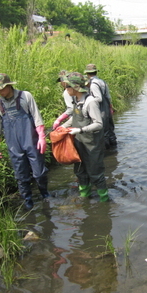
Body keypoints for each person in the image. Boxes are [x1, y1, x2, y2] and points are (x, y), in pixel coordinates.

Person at [0, 73, 49, 210]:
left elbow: (37, 117)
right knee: (21, 176)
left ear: (9, 86)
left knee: (39, 173)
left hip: (31, 141)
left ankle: (45, 195)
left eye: (1, 88)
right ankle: (28, 203)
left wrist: (41, 137)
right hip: (14, 146)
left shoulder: (25, 96)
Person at [59, 72, 109, 202]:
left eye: (68, 86)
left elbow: (98, 124)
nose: (66, 89)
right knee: (80, 172)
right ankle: (84, 197)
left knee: (95, 173)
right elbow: (74, 118)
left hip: (92, 144)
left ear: (76, 87)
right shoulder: (75, 100)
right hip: (79, 143)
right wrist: (63, 126)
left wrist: (80, 130)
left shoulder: (90, 102)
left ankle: (104, 201)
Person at [84, 64, 117, 149]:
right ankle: (114, 148)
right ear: (95, 72)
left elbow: (98, 98)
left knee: (103, 131)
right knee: (109, 129)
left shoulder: (93, 84)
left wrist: (88, 101)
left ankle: (107, 152)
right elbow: (108, 96)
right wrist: (110, 107)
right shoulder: (102, 81)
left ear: (87, 73)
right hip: (106, 106)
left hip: (101, 108)